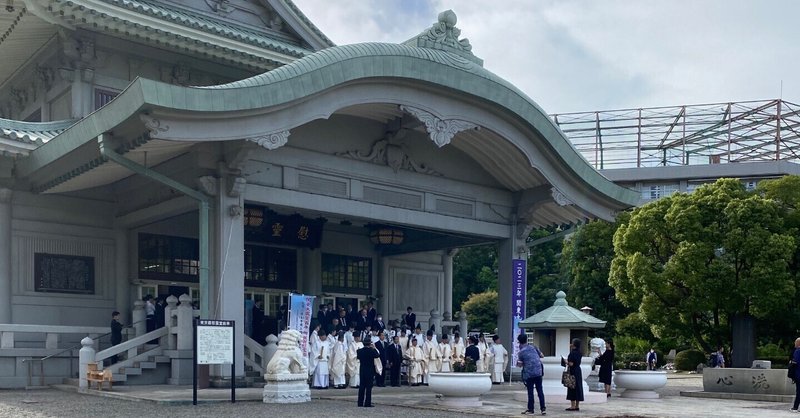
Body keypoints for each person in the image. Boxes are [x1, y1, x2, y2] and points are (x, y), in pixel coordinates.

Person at [517, 333, 545, 415]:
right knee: (540, 390)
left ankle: (531, 409)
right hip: (539, 371)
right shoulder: (534, 347)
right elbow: (542, 356)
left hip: (529, 373)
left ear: (519, 342)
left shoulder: (521, 352)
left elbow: (520, 364)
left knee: (530, 391)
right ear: (527, 340)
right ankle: (543, 408)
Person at [562, 338, 584, 411]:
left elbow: (571, 364)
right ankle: (577, 405)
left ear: (574, 344)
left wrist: (566, 361)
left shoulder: (572, 353)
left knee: (572, 387)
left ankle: (572, 406)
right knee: (578, 386)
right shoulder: (579, 352)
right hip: (578, 370)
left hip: (573, 371)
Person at [357, 338, 380, 407]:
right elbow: (377, 355)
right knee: (369, 387)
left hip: (362, 370)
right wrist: (374, 348)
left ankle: (360, 402)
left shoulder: (359, 351)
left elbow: (358, 357)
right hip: (370, 370)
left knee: (362, 387)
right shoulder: (371, 351)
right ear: (370, 344)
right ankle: (367, 402)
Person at [791, 337, 800, 413]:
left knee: (799, 391)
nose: (794, 344)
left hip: (798, 375)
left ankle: (795, 407)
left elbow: (795, 362)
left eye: (795, 342)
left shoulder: (797, 351)